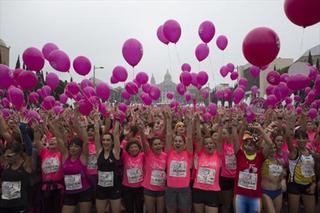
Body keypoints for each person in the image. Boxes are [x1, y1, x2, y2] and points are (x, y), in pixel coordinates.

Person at [233, 123, 272, 213]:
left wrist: (260, 129)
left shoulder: (260, 156)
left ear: (256, 147)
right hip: (240, 195)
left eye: (251, 142)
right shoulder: (240, 154)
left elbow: (269, 144)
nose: (249, 144)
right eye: (246, 142)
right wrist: (243, 124)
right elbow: (236, 140)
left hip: (255, 197)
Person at [60, 111, 93, 213]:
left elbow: (86, 141)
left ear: (80, 149)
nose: (73, 148)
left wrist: (79, 124)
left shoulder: (83, 157)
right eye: (71, 146)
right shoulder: (65, 156)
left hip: (84, 191)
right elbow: (59, 138)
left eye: (76, 146)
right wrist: (55, 123)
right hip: (69, 193)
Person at [0, 115, 33, 213]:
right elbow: (3, 132)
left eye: (10, 155)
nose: (7, 157)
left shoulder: (26, 165)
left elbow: (29, 150)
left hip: (19, 206)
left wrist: (23, 131)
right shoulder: (6, 164)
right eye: (6, 155)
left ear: (18, 154)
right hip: (3, 206)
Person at [192, 113, 222, 213]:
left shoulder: (219, 154)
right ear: (203, 146)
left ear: (215, 144)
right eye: (206, 144)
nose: (209, 145)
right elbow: (200, 138)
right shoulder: (200, 153)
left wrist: (220, 120)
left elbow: (219, 138)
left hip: (213, 191)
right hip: (198, 189)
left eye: (211, 143)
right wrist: (197, 121)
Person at [165, 110, 193, 213]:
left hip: (184, 188)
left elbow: (189, 138)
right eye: (176, 141)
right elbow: (168, 135)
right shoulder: (169, 153)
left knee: (185, 210)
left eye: (180, 141)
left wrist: (189, 121)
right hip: (170, 188)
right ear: (173, 143)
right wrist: (168, 120)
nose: (177, 143)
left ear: (184, 144)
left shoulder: (188, 154)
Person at [95, 112, 122, 213]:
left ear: (112, 142)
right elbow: (97, 133)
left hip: (114, 188)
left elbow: (115, 134)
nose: (105, 142)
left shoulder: (115, 152)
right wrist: (96, 118)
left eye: (108, 140)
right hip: (101, 188)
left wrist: (117, 120)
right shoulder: (99, 152)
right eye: (104, 140)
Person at [286, 125, 316, 213]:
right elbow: (288, 139)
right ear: (295, 139)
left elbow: (312, 170)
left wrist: (314, 183)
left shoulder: (311, 153)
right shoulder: (294, 151)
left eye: (303, 138)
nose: (301, 140)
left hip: (308, 185)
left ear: (307, 139)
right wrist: (289, 123)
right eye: (298, 138)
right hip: (294, 185)